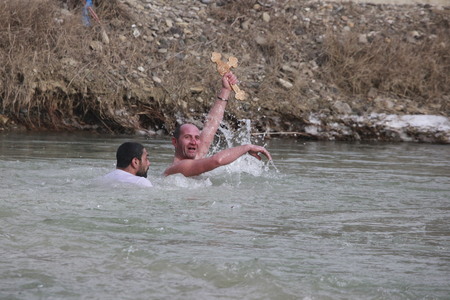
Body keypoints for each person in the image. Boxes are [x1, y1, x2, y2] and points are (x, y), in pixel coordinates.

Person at [164, 72, 272, 177]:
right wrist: (247, 147)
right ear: (175, 142)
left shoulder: (196, 157)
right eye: (187, 137)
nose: (193, 142)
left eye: (197, 137)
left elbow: (212, 123)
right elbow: (217, 160)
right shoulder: (178, 168)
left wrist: (226, 90)